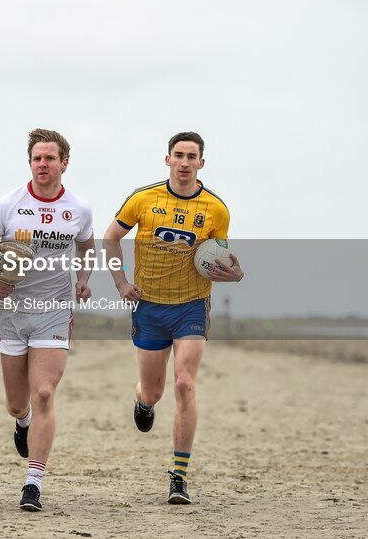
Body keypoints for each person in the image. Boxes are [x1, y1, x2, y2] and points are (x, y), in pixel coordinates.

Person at [103, 131, 244, 505]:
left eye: (191, 156)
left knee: (185, 384)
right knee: (154, 390)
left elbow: (220, 258)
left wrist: (235, 273)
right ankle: (143, 402)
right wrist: (121, 284)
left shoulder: (216, 209)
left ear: (202, 163)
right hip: (149, 306)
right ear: (167, 160)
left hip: (192, 306)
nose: (184, 162)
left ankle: (179, 476)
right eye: (178, 155)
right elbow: (110, 238)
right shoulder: (143, 199)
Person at [0, 128, 94, 512]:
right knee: (16, 402)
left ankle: (33, 482)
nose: (43, 164)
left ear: (64, 163)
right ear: (30, 163)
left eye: (50, 158)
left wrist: (84, 280)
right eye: (37, 158)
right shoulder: (7, 205)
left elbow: (87, 247)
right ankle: (21, 422)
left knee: (44, 394)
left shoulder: (79, 209)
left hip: (54, 310)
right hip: (9, 312)